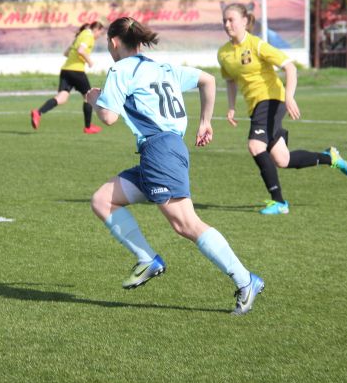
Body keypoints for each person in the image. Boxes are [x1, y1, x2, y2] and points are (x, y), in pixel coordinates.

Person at [85, 17, 264, 316]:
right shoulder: (163, 67)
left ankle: (246, 281)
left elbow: (108, 117)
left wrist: (95, 100)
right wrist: (205, 121)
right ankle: (147, 259)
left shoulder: (120, 69)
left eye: (108, 44)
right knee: (103, 200)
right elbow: (207, 80)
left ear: (114, 42)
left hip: (160, 151)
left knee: (186, 224)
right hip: (163, 150)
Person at [217, 3, 347, 215]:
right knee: (282, 159)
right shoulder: (223, 53)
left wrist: (289, 97)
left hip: (272, 99)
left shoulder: (257, 45)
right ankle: (331, 158)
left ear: (244, 21)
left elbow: (290, 67)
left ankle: (279, 202)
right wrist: (231, 107)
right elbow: (230, 81)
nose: (227, 24)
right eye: (224, 20)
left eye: (231, 20)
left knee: (255, 146)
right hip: (255, 107)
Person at [31, 21, 105, 134]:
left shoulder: (80, 36)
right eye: (100, 32)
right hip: (76, 71)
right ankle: (88, 127)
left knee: (62, 98)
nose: (100, 35)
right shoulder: (88, 35)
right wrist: (89, 61)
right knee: (88, 97)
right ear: (96, 29)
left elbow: (66, 53)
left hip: (66, 70)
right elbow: (81, 50)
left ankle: (38, 112)